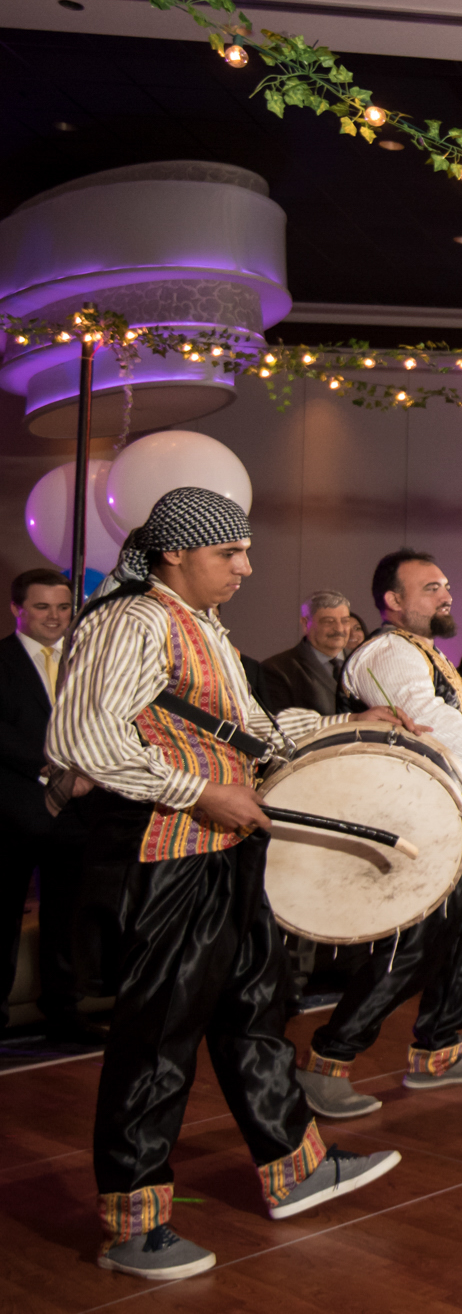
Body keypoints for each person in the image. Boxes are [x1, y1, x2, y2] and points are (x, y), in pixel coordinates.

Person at [46, 489, 404, 1279]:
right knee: (159, 1035)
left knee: (254, 1010)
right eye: (228, 554)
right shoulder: (133, 620)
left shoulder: (200, 624)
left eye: (245, 551)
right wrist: (199, 792)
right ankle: (135, 1221)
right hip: (166, 854)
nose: (245, 568)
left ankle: (295, 1165)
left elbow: (249, 734)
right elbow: (83, 737)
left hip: (223, 848)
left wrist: (349, 726)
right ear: (174, 554)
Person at [298, 551, 462, 1121]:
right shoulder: (387, 652)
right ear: (392, 600)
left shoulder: (424, 652)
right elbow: (427, 719)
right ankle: (326, 1062)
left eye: (446, 585)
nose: (447, 595)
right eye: (431, 587)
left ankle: (439, 1051)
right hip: (425, 827)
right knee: (412, 952)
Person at [0, 568, 94, 1040]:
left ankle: (64, 1015)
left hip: (77, 814)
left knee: (68, 920)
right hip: (12, 813)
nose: (55, 617)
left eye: (63, 607)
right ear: (17, 609)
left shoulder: (86, 662)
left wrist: (91, 769)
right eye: (42, 607)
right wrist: (55, 769)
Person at [259, 590, 351, 716]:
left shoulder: (363, 662)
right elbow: (282, 722)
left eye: (345, 621)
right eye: (329, 621)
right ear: (305, 623)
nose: (339, 629)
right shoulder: (277, 669)